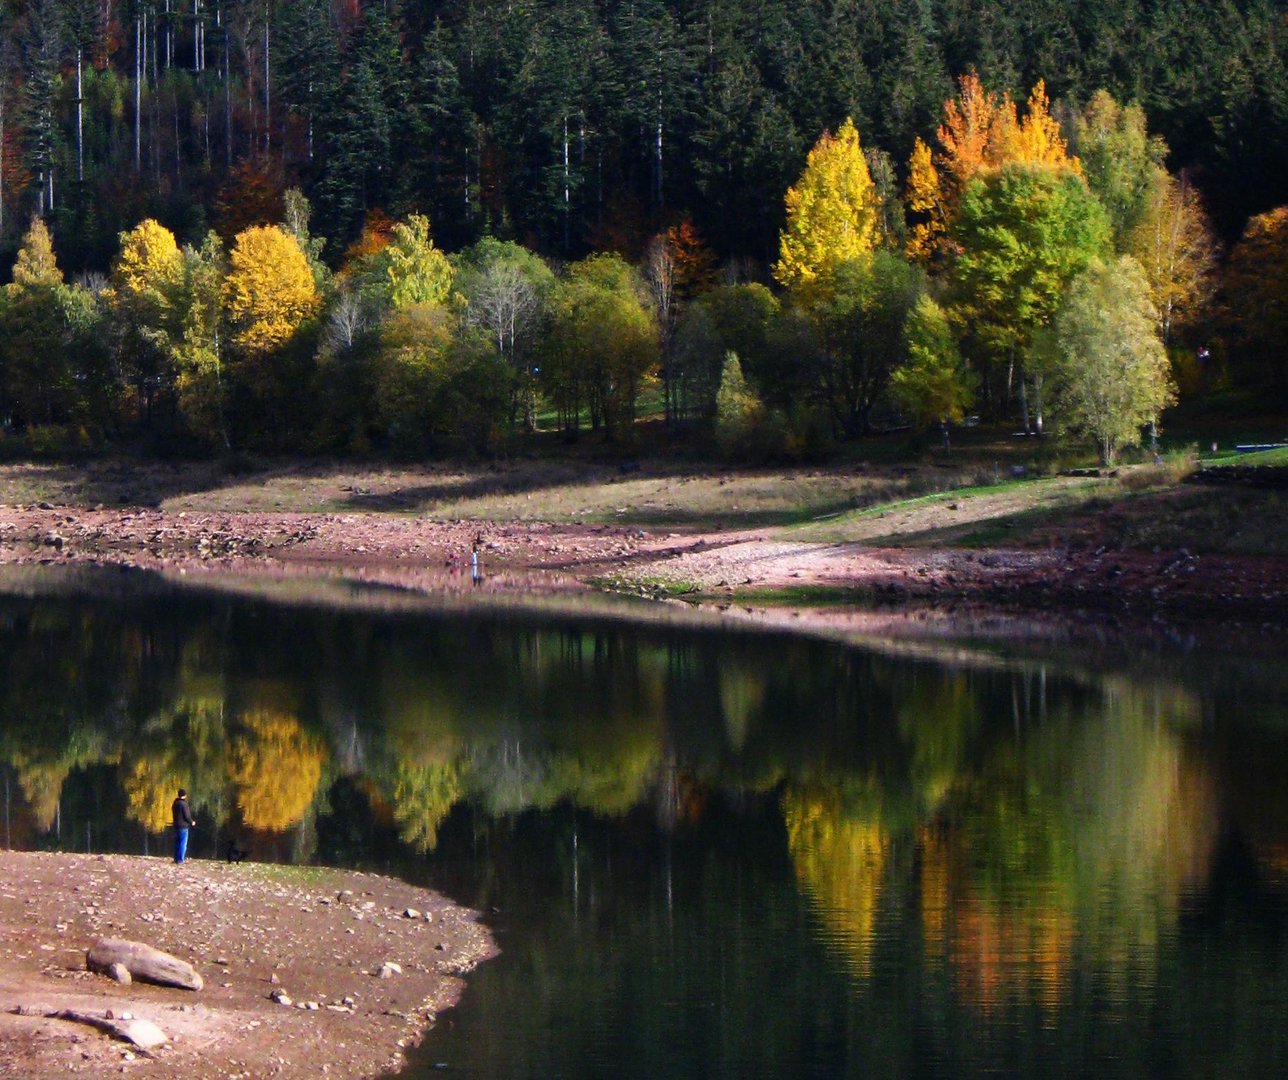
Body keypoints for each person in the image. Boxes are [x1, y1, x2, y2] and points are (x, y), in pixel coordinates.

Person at [172, 788, 196, 863]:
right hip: (183, 826)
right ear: (184, 795)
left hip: (176, 825)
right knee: (183, 844)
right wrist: (192, 822)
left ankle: (176, 859)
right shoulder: (184, 804)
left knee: (177, 843)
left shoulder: (175, 803)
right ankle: (180, 860)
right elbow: (187, 816)